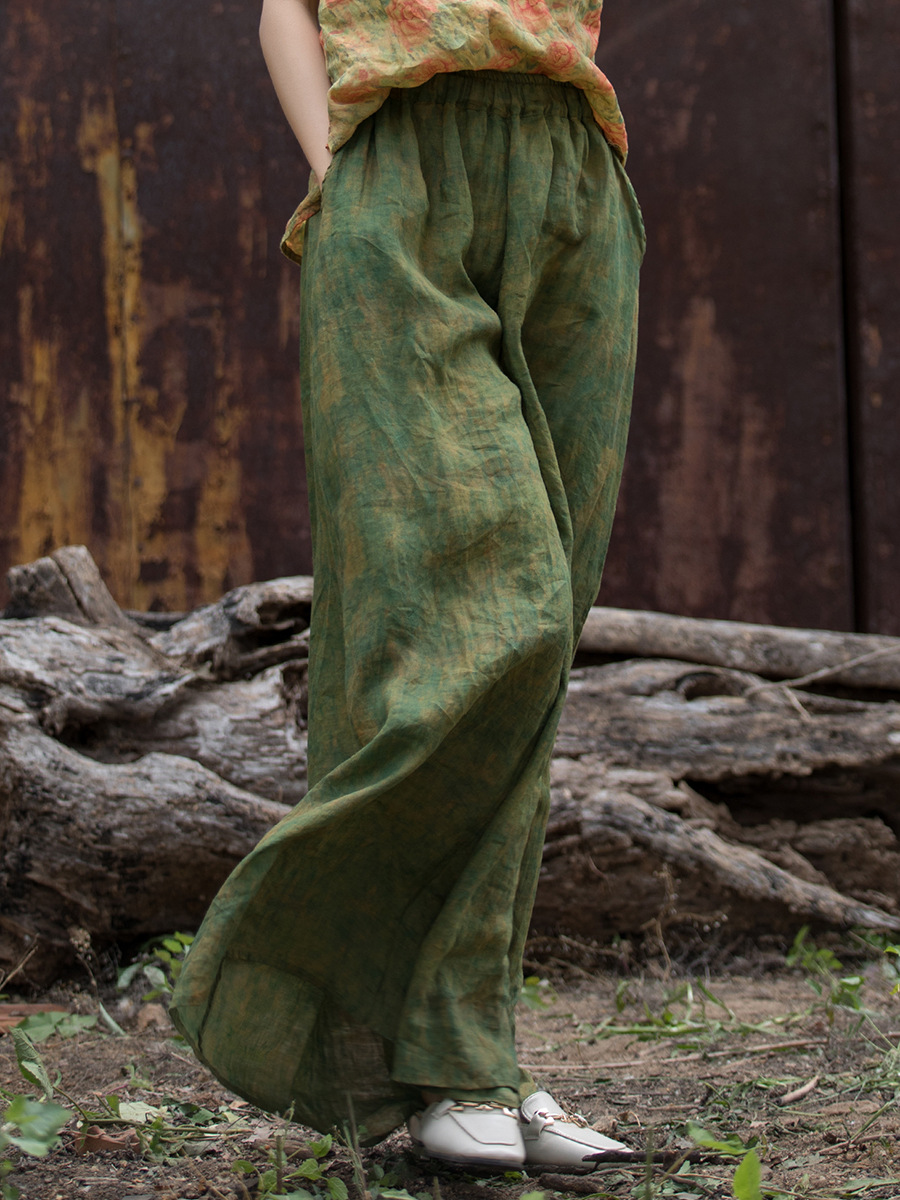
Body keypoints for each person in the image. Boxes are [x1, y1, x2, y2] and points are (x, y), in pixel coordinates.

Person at [170, 0, 644, 1173]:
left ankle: (472, 1062)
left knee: (546, 633)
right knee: (481, 623)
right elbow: (285, 10)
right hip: (401, 172)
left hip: (576, 179)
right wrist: (338, 176)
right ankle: (298, 988)